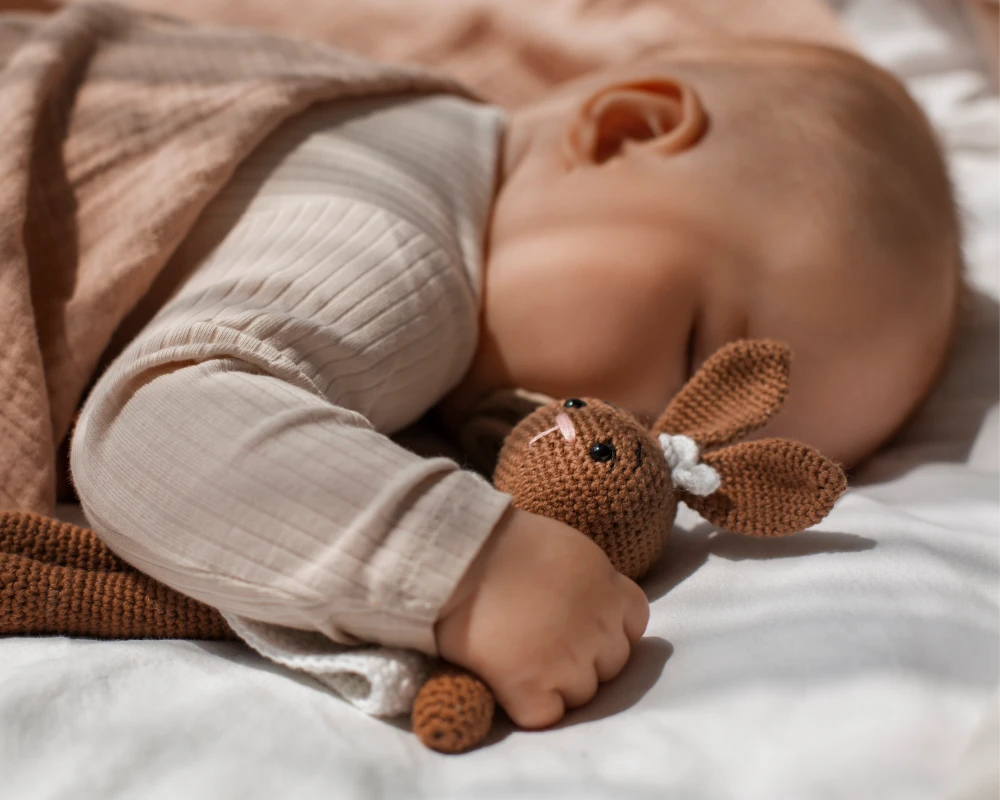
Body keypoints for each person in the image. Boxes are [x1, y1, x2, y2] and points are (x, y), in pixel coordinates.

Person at [70, 39, 961, 730]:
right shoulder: (392, 241)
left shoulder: (420, 119)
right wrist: (468, 568)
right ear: (626, 131)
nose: (648, 434)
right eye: (690, 346)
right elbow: (159, 424)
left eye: (709, 452)